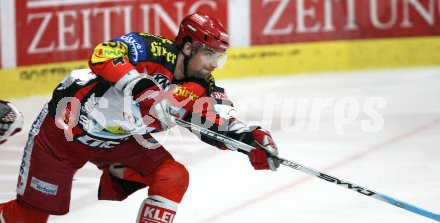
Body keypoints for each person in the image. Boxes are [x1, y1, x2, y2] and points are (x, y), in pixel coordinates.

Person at [0, 13, 279, 222]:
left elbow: (220, 121)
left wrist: (250, 140)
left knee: (172, 175)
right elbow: (103, 54)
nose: (213, 65)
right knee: (29, 217)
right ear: (187, 48)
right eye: (209, 54)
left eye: (219, 58)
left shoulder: (200, 87)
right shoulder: (150, 48)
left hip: (117, 142)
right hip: (64, 131)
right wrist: (142, 88)